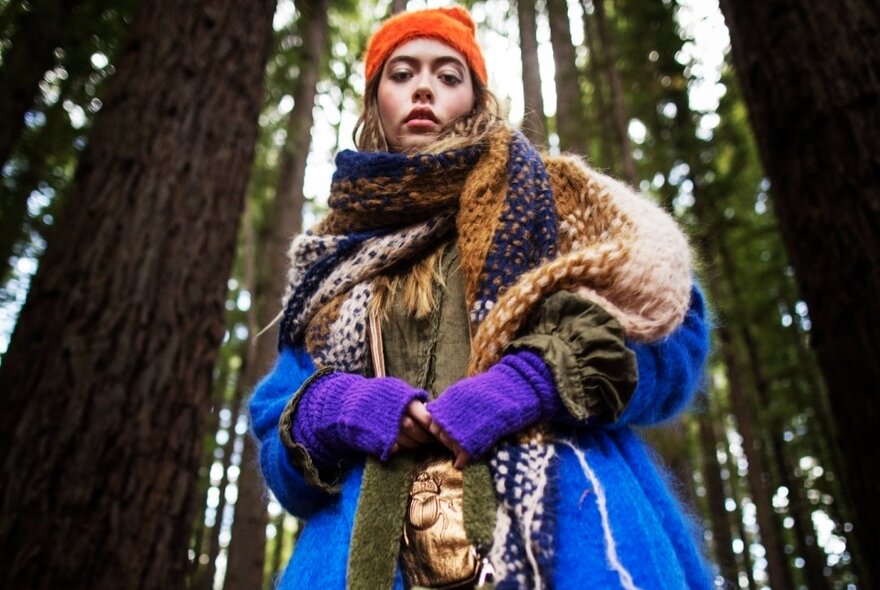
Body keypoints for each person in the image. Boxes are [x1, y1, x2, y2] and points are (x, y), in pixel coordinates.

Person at [250, 6, 713, 589]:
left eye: (449, 76)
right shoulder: (330, 259)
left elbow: (670, 331)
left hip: (575, 533)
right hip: (354, 560)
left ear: (475, 98)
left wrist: (534, 381)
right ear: (375, 102)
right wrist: (336, 408)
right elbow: (278, 440)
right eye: (402, 74)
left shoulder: (552, 200)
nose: (424, 88)